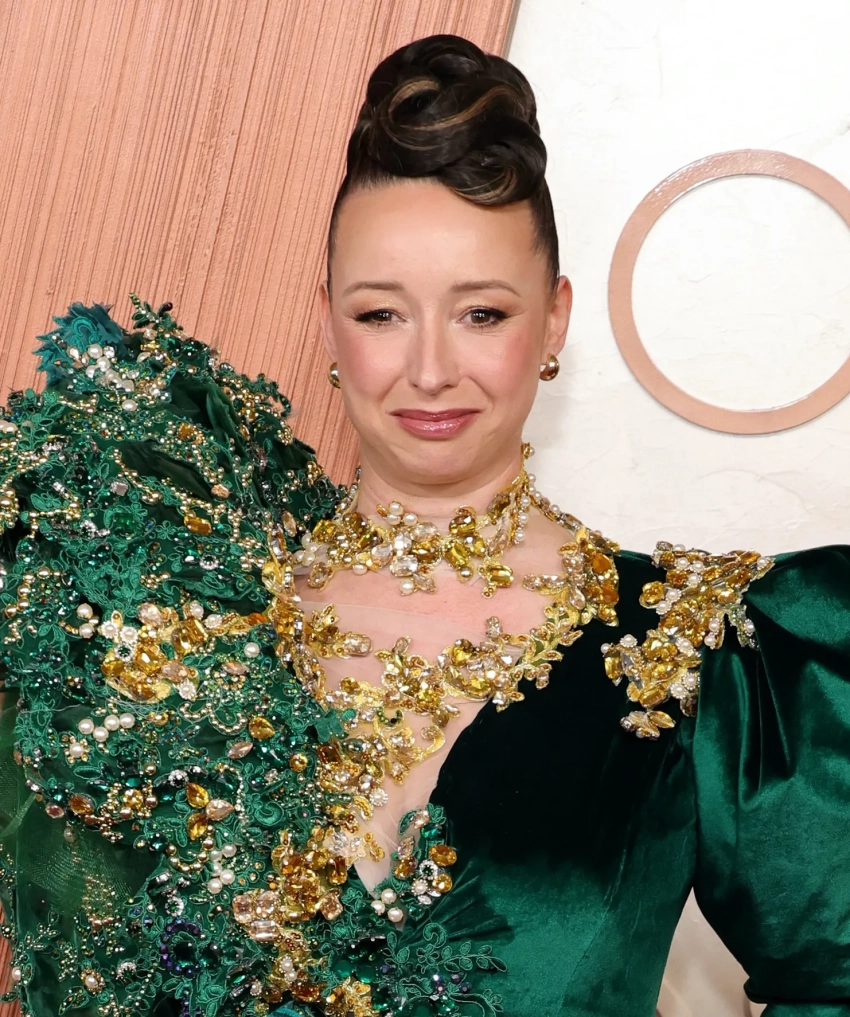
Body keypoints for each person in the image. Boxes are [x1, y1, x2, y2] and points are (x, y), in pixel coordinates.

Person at [0, 32, 847, 1017]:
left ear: (554, 319)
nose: (432, 369)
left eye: (481, 314)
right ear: (326, 317)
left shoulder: (702, 653)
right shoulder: (179, 625)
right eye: (381, 315)